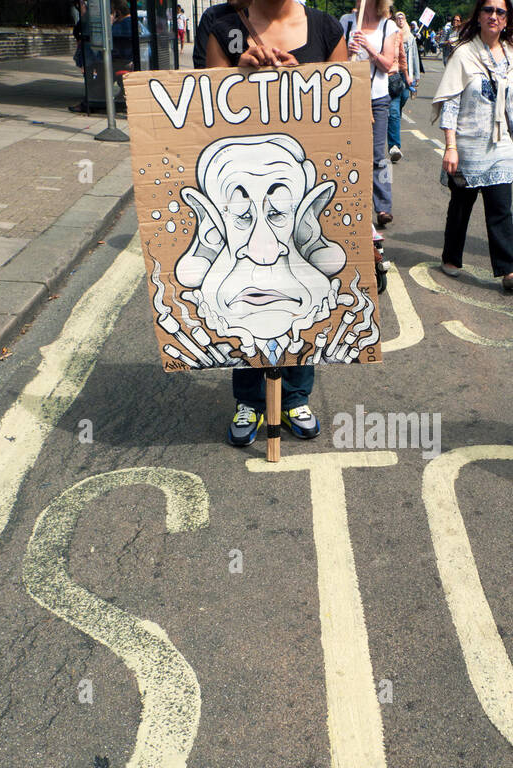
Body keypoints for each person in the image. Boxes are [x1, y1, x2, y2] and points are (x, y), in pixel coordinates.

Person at [203, 0, 349, 447]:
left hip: (296, 195)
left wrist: (304, 84)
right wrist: (237, 75)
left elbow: (340, 115)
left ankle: (295, 395)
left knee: (299, 286)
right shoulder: (221, 25)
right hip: (240, 194)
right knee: (247, 293)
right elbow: (203, 108)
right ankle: (248, 398)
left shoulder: (326, 31)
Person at [433, 0, 513, 290]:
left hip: (500, 145)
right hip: (467, 145)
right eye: (488, 10)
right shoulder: (464, 54)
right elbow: (451, 102)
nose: (494, 16)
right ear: (478, 16)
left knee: (501, 208)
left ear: (507, 20)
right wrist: (450, 146)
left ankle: (509, 271)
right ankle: (451, 257)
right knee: (461, 207)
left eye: (500, 12)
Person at [341, 0, 402, 228]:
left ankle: (384, 205)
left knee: (378, 153)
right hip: (349, 96)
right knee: (348, 150)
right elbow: (334, 61)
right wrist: (348, 51)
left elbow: (388, 64)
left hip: (376, 97)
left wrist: (368, 47)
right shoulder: (346, 22)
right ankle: (350, 200)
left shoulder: (388, 26)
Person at [388, 9, 419, 162]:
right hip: (376, 78)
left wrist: (408, 76)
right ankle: (391, 146)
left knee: (399, 104)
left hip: (394, 76)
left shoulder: (398, 33)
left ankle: (394, 142)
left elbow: (403, 57)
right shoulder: (372, 31)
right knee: (391, 112)